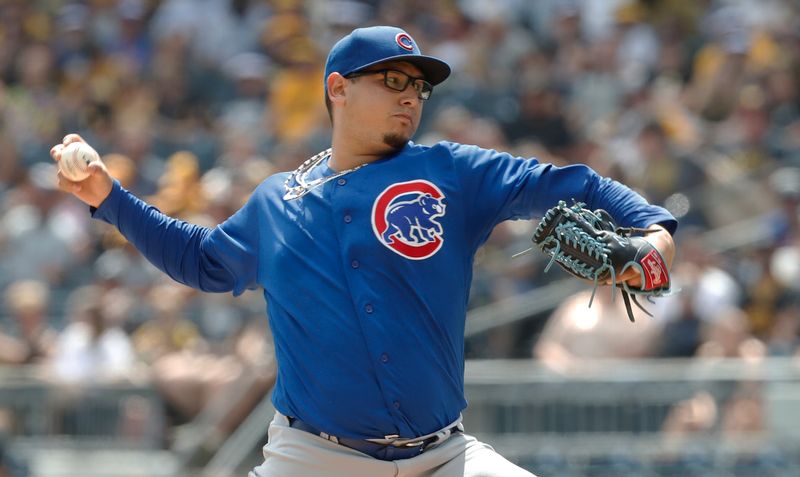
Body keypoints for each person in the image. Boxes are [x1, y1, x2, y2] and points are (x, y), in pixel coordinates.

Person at [51, 25, 677, 477]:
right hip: (314, 458)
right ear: (338, 89)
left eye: (420, 87)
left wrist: (653, 232)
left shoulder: (450, 171)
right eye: (393, 80)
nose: (412, 95)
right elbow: (204, 261)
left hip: (443, 456)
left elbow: (574, 184)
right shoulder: (278, 202)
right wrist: (110, 197)